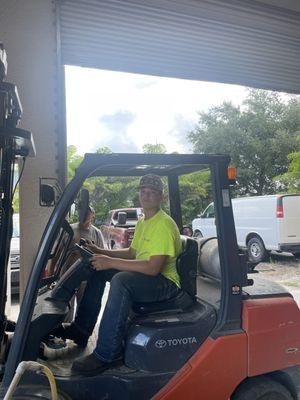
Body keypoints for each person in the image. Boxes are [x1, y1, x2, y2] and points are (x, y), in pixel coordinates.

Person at [57, 174, 182, 374]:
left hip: (165, 282)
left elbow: (153, 268)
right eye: (143, 191)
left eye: (152, 193)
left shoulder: (163, 224)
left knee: (121, 280)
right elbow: (132, 253)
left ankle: (108, 354)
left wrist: (111, 262)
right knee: (98, 270)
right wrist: (101, 252)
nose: (146, 196)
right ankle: (81, 329)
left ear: (161, 197)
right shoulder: (143, 221)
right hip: (149, 276)